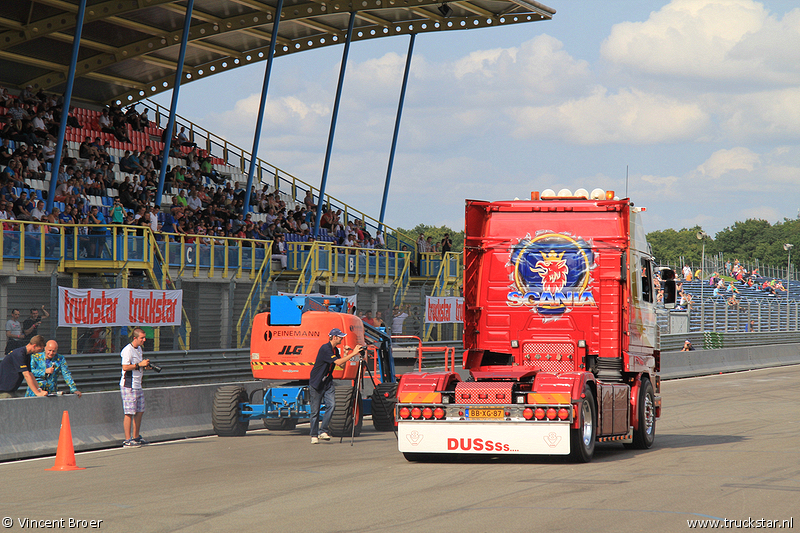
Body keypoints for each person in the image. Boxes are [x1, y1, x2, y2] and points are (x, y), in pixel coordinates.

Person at [308, 328, 362, 444]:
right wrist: (354, 353)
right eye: (340, 337)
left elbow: (340, 365)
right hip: (317, 383)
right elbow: (338, 362)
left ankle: (323, 431)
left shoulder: (335, 350)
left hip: (327, 382)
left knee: (332, 405)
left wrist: (346, 353)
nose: (342, 338)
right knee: (315, 411)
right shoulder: (325, 348)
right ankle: (314, 435)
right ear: (334, 337)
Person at [120, 327, 151, 448]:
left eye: (144, 338)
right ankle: (127, 439)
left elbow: (137, 366)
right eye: (141, 338)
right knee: (129, 412)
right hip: (129, 386)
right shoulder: (128, 350)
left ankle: (136, 437)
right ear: (135, 338)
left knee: (140, 411)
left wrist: (144, 366)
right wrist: (139, 364)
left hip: (138, 384)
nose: (144, 340)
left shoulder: (139, 349)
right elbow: (125, 367)